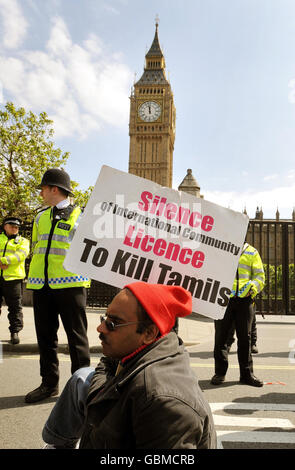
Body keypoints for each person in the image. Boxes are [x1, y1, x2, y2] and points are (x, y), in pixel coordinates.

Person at [42, 282, 217, 449]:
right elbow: (106, 362)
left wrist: (100, 400)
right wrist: (101, 396)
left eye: (113, 323)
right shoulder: (138, 348)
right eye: (105, 318)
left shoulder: (163, 403)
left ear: (149, 333)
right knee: (82, 377)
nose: (100, 328)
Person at [25, 168, 91, 404]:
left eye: (43, 188)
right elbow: (37, 248)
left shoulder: (81, 215)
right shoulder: (39, 217)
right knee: (45, 338)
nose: (41, 193)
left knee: (77, 338)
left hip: (71, 284)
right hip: (41, 286)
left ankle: (81, 388)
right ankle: (49, 384)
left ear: (54, 189)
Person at [211, 241, 265, 387]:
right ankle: (220, 373)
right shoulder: (220, 248)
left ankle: (246, 374)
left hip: (245, 300)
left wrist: (252, 287)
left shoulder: (251, 252)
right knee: (221, 336)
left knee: (245, 338)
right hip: (224, 298)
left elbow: (260, 276)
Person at [0, 217, 30, 344]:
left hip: (14, 278)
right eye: (12, 226)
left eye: (17, 227)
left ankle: (15, 332)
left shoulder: (23, 241)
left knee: (15, 308)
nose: (15, 228)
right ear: (5, 226)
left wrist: (3, 261)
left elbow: (21, 255)